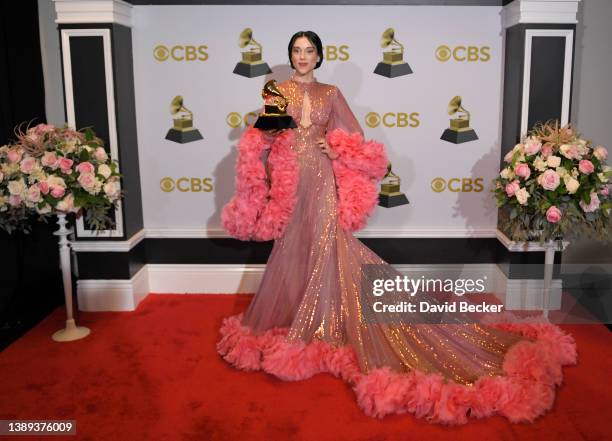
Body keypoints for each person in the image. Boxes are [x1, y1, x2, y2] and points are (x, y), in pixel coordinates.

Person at [218, 31, 576, 425]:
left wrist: (333, 149)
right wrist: (265, 151)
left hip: (320, 179)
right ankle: (301, 314)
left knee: (326, 244)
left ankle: (323, 318)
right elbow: (263, 134)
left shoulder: (331, 93)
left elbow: (353, 135)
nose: (303, 57)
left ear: (319, 56)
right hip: (288, 179)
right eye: (297, 51)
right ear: (291, 56)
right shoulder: (278, 90)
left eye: (309, 51)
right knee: (290, 245)